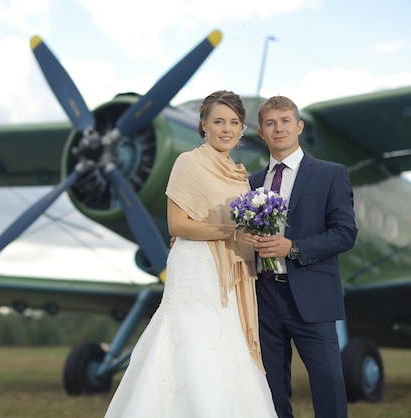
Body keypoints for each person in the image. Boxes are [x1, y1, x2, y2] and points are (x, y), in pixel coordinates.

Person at [104, 90, 277, 417]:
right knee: (192, 340)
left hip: (228, 274)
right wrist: (230, 231)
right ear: (204, 125)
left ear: (241, 129)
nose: (226, 129)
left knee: (226, 344)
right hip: (195, 268)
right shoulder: (188, 163)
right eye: (218, 121)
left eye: (234, 122)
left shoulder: (240, 176)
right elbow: (178, 225)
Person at [250, 95, 358, 418]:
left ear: (298, 127)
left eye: (285, 121)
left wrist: (292, 247)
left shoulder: (331, 174)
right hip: (263, 296)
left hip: (311, 295)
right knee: (270, 388)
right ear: (261, 132)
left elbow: (345, 233)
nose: (278, 128)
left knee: (328, 381)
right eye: (270, 123)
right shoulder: (252, 182)